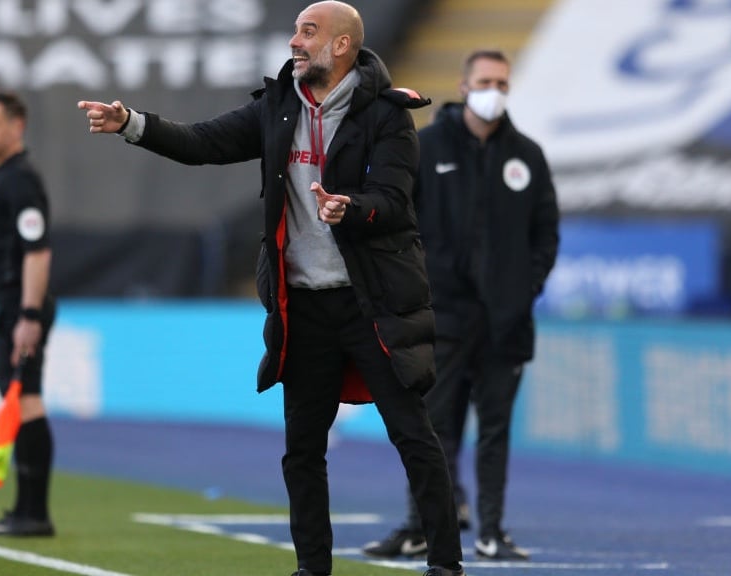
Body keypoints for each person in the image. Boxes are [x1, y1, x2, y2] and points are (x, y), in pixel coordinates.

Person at [78, 2, 465, 575]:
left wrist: (350, 208)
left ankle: (446, 565)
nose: (294, 41)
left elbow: (394, 200)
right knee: (302, 451)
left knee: (414, 436)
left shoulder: (387, 114)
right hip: (304, 307)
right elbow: (203, 142)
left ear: (341, 46)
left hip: (371, 304)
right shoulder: (279, 105)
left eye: (307, 32)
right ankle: (312, 568)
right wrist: (132, 123)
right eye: (295, 31)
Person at [362, 49, 560, 561]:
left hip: (506, 322)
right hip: (441, 317)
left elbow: (546, 234)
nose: (495, 90)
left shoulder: (528, 157)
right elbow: (399, 223)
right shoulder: (425, 147)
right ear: (463, 84)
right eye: (486, 80)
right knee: (430, 428)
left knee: (495, 432)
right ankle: (421, 526)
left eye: (502, 82)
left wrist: (523, 289)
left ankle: (492, 531)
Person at [0, 91, 57, 537]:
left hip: (18, 305)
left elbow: (36, 251)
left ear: (16, 127)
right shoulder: (5, 180)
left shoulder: (19, 181)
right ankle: (25, 508)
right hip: (8, 303)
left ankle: (34, 513)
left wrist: (28, 313)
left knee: (27, 402)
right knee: (19, 402)